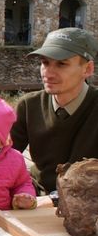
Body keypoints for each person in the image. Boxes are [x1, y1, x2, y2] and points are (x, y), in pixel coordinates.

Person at [11, 27, 98, 194]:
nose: (48, 73)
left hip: (89, 204)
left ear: (87, 69)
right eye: (45, 63)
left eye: (61, 64)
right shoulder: (29, 106)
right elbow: (2, 156)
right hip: (36, 197)